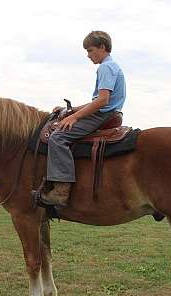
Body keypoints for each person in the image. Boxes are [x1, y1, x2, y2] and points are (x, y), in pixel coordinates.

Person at [41, 30, 126, 207]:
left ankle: (61, 191)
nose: (88, 55)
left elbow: (103, 100)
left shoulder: (106, 67)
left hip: (103, 114)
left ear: (102, 47)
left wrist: (74, 117)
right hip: (106, 112)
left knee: (58, 137)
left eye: (90, 50)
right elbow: (96, 101)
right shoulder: (112, 66)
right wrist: (69, 110)